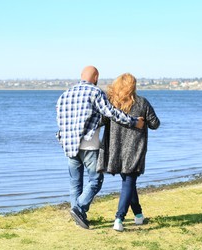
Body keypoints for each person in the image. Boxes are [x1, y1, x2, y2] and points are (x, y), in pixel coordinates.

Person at [56, 66, 145, 229]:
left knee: (75, 182)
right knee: (96, 180)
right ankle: (79, 209)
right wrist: (133, 121)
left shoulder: (65, 94)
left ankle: (78, 215)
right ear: (96, 77)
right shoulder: (95, 92)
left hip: (69, 145)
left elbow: (61, 121)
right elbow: (111, 112)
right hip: (89, 145)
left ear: (81, 76)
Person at [97, 73, 160, 231]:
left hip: (115, 150)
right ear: (133, 86)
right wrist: (143, 120)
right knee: (128, 183)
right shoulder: (142, 103)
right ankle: (119, 218)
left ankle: (138, 215)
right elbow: (155, 124)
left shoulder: (111, 103)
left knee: (128, 183)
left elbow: (101, 121)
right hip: (134, 149)